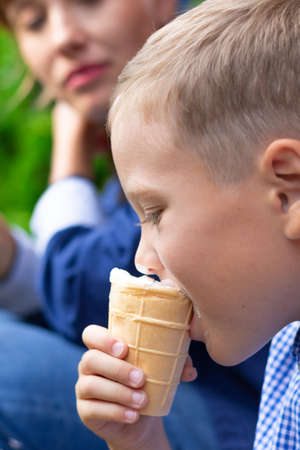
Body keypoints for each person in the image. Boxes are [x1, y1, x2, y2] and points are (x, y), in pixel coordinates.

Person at [0, 0, 267, 449]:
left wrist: (68, 161)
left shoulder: (210, 95)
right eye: (35, 21)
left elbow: (82, 288)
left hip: (246, 420)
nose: (64, 37)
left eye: (88, 1)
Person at [74, 0, 300, 449]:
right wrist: (140, 440)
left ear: (288, 191)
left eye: (155, 213)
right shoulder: (289, 345)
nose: (143, 259)